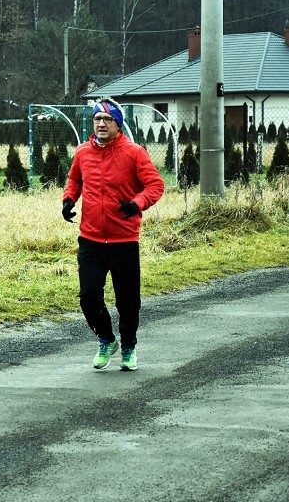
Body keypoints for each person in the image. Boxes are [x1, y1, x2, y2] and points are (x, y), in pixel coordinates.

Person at [62, 98, 165, 371]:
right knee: (88, 296)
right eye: (97, 119)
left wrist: (137, 204)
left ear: (118, 124)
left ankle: (129, 347)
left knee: (128, 301)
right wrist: (69, 199)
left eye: (107, 120)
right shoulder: (83, 152)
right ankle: (106, 339)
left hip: (124, 239)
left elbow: (155, 185)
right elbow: (74, 180)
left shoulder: (134, 153)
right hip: (91, 239)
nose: (101, 124)